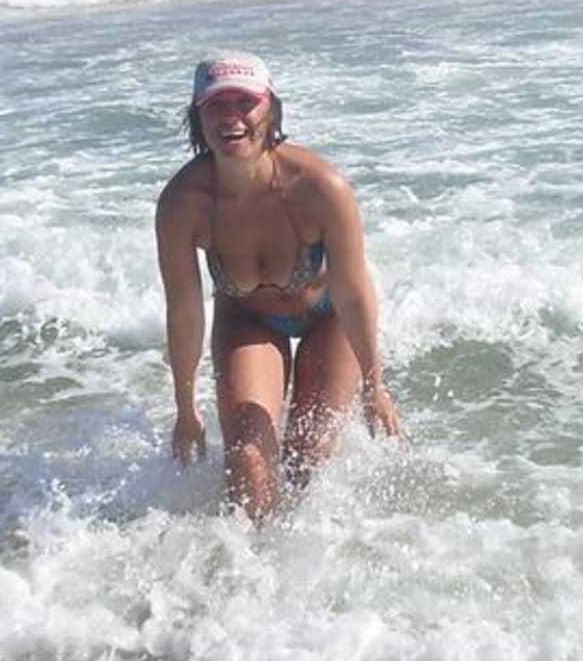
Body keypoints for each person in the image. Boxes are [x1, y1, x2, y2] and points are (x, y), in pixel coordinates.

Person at [156, 51, 405, 518]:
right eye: (216, 105)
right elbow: (185, 311)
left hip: (329, 316)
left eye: (244, 103)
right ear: (197, 116)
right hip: (247, 320)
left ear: (270, 109)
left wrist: (376, 387)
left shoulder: (319, 186)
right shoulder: (182, 204)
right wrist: (186, 410)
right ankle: (249, 558)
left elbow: (352, 292)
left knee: (308, 456)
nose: (231, 118)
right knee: (248, 464)